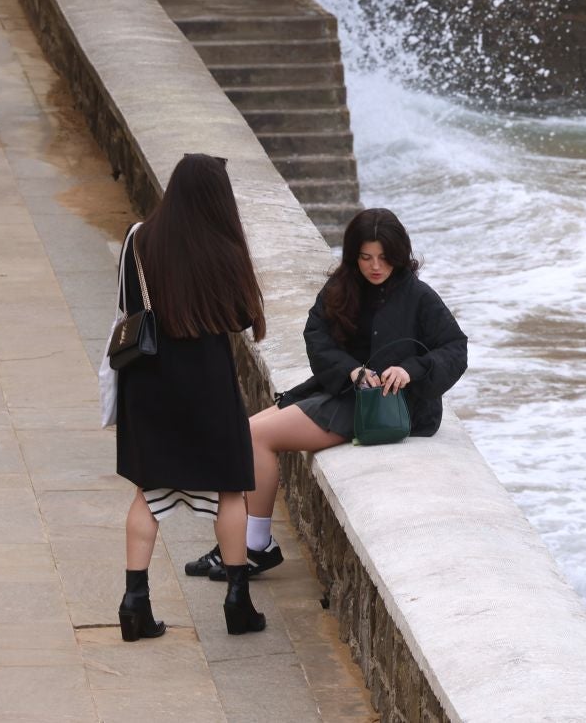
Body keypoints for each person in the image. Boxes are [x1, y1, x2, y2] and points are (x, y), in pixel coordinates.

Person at [183, 207, 468, 580]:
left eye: (384, 258)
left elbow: (455, 348)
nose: (375, 267)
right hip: (345, 392)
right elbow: (316, 336)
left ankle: (255, 547)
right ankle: (235, 544)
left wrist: (409, 371)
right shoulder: (343, 286)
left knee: (254, 437)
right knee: (245, 430)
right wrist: (351, 369)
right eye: (366, 257)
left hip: (395, 409)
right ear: (354, 256)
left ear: (400, 256)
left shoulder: (419, 296)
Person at [113, 153, 269, 641]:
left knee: (147, 490)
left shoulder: (138, 239)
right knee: (229, 489)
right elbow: (244, 317)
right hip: (207, 383)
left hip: (148, 383)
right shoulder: (225, 250)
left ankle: (134, 604)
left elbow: (127, 306)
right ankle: (237, 602)